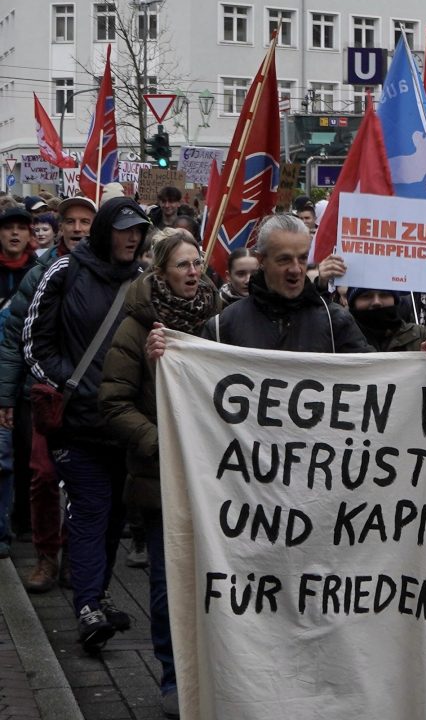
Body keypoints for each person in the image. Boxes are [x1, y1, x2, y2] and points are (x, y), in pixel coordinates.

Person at [100, 232, 219, 719]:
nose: (194, 272)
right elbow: (114, 404)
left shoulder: (218, 321)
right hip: (162, 479)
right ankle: (174, 677)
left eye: (198, 263)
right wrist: (164, 443)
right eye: (183, 265)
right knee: (171, 586)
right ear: (161, 271)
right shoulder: (137, 328)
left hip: (218, 480)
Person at [23, 196, 149, 652]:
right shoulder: (65, 271)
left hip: (123, 423)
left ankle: (99, 592)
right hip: (77, 424)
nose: (132, 237)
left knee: (115, 515)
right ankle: (88, 606)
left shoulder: (143, 280)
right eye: (124, 229)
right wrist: (70, 384)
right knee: (91, 509)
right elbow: (34, 341)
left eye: (139, 230)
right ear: (104, 232)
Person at [0, 195, 96, 592]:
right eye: (71, 221)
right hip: (42, 393)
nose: (78, 229)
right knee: (42, 475)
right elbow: (12, 337)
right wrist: (6, 397)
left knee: (82, 482)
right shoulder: (39, 272)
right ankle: (45, 557)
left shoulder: (111, 274)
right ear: (60, 227)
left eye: (85, 222)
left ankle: (76, 556)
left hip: (89, 395)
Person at [194, 214, 369, 353]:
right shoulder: (224, 326)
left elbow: (369, 374)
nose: (296, 269)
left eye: (302, 258)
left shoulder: (335, 322)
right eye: (284, 259)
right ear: (261, 260)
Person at [0, 204, 35, 558]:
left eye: (21, 228)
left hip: (26, 373)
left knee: (26, 451)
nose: (14, 234)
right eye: (8, 228)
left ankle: (24, 519)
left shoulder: (38, 272)